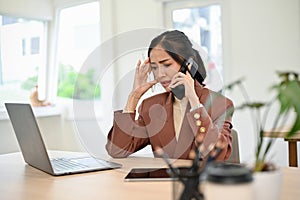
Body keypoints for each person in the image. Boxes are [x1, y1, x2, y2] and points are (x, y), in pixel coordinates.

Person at [106, 30, 234, 161]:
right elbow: (116, 150)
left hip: (201, 181)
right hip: (164, 181)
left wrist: (194, 102)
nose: (160, 74)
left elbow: (217, 155)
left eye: (166, 64)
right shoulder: (151, 106)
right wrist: (134, 97)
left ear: (188, 64)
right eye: (155, 67)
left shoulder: (220, 104)